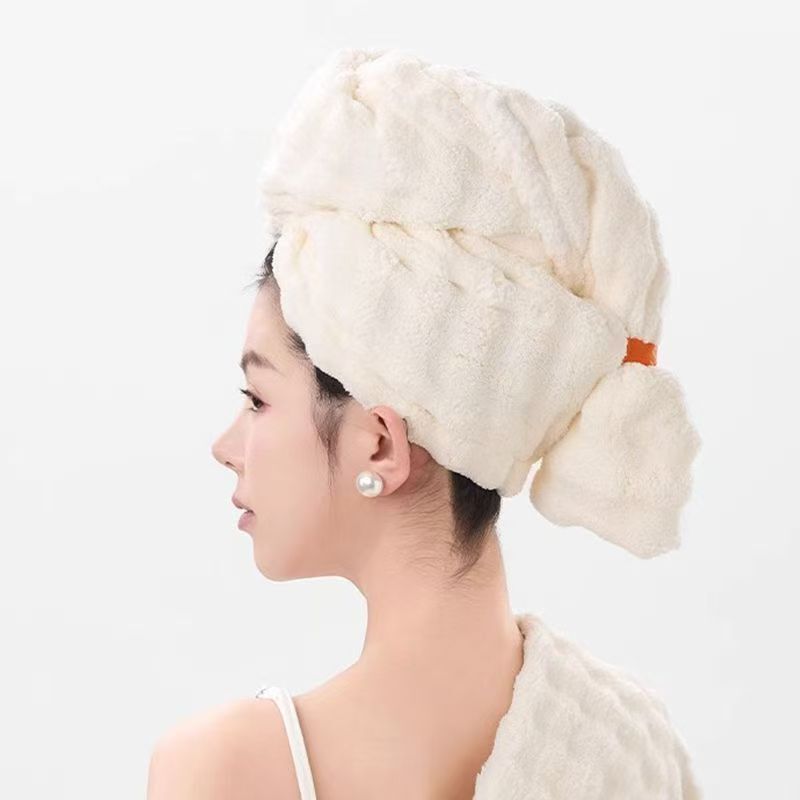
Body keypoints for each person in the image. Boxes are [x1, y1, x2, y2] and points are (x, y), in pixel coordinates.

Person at [147, 47, 703, 799]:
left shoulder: (227, 771)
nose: (226, 446)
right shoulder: (634, 751)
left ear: (380, 444)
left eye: (258, 399)